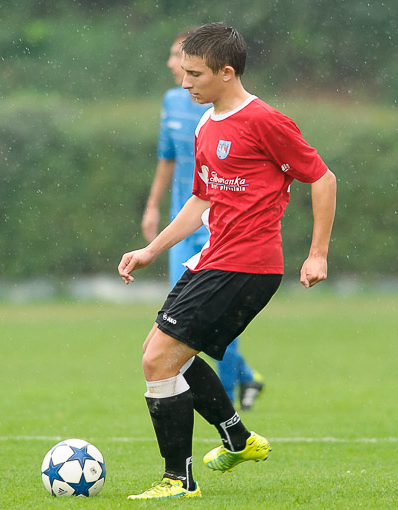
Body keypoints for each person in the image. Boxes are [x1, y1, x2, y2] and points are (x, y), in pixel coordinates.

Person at [119, 22, 337, 499]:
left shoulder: (266, 121)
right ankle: (237, 439)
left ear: (226, 72)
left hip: (247, 265)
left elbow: (322, 178)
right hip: (214, 258)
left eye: (195, 74)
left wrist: (317, 253)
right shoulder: (205, 124)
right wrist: (151, 250)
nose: (185, 83)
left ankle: (178, 481)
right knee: (159, 354)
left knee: (159, 360)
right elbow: (201, 200)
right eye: (184, 72)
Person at [142, 27, 265, 410]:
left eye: (181, 60)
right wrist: (152, 206)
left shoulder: (226, 108)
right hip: (186, 220)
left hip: (223, 226)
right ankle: (243, 377)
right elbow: (167, 158)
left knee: (211, 312)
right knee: (182, 319)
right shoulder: (173, 102)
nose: (173, 65)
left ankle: (226, 400)